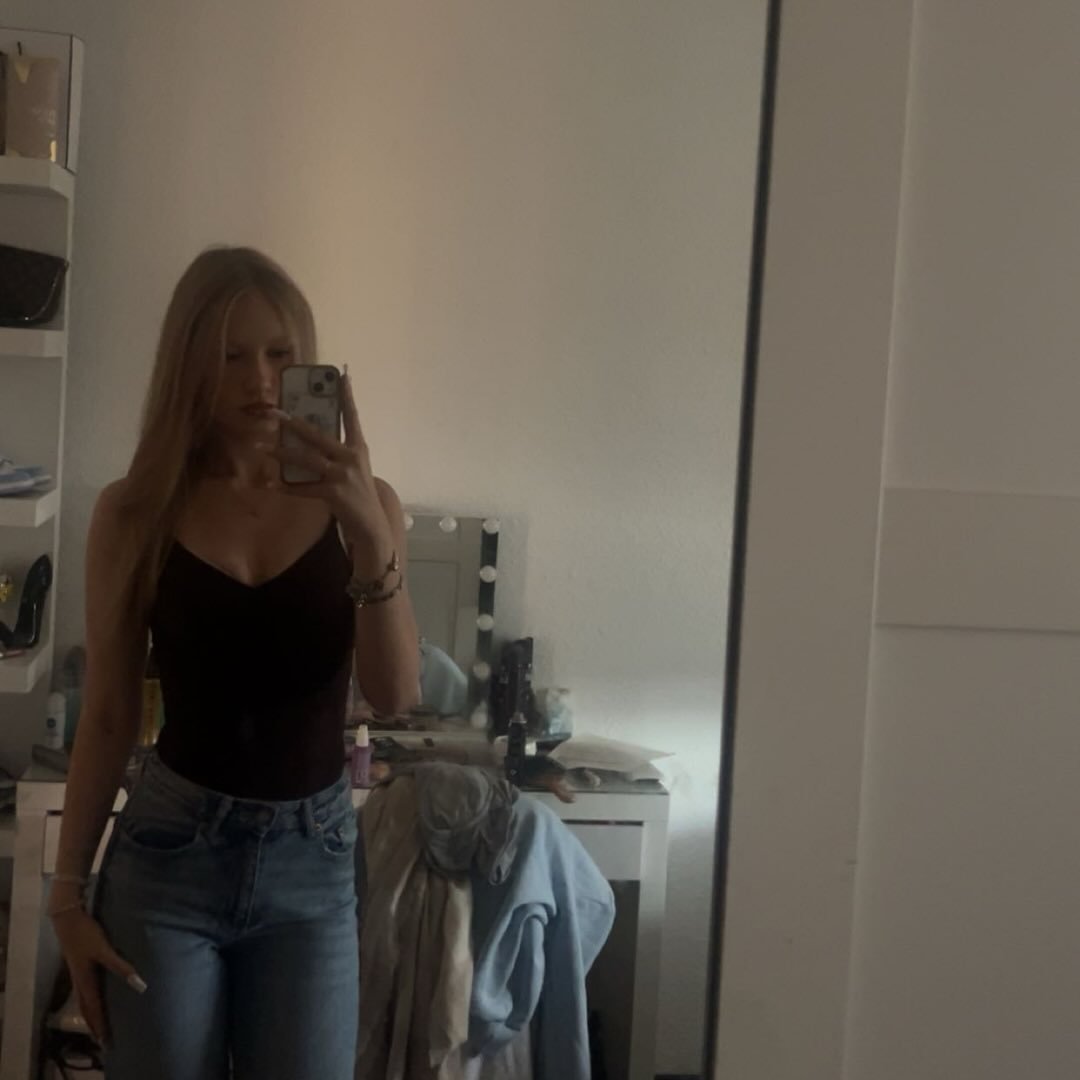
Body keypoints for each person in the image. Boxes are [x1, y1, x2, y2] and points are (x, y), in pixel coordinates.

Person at [47, 247, 420, 1080]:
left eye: (280, 354)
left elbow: (396, 693)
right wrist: (66, 898)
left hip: (313, 867)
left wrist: (368, 533)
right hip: (168, 856)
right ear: (189, 365)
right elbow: (107, 715)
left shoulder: (367, 506)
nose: (260, 379)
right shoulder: (135, 510)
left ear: (310, 362)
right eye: (231, 355)